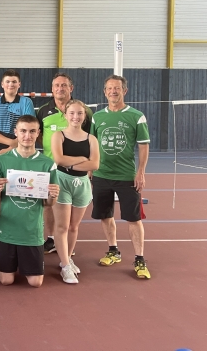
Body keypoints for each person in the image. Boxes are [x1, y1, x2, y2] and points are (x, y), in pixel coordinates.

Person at [90, 75, 151, 279]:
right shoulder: (97, 117)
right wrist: (91, 167)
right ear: (104, 91)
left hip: (127, 177)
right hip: (101, 175)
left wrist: (140, 171)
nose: (113, 91)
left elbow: (143, 145)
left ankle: (139, 259)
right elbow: (92, 143)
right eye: (109, 88)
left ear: (124, 91)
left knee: (133, 218)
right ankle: (113, 250)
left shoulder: (136, 116)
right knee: (105, 215)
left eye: (117, 88)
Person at [0, 115, 59, 287]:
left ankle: (26, 262)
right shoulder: (2, 160)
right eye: (23, 131)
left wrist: (53, 195)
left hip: (31, 232)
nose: (27, 136)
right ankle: (14, 263)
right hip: (7, 230)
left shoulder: (47, 164)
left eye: (32, 131)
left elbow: (49, 204)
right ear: (16, 133)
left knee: (35, 283)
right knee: (6, 281)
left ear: (38, 134)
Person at [37, 73, 92, 254]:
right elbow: (38, 136)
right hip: (49, 167)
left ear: (71, 88)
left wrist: (86, 166)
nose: (60, 88)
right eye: (57, 85)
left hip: (75, 173)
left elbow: (90, 139)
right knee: (48, 204)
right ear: (52, 89)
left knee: (70, 212)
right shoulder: (43, 111)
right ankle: (51, 238)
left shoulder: (83, 111)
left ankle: (66, 243)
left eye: (64, 85)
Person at [0, 69, 35, 250]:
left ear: (19, 85)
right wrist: (9, 143)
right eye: (8, 82)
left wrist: (13, 147)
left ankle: (22, 230)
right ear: (2, 85)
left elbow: (28, 127)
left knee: (21, 191)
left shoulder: (26, 102)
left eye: (14, 82)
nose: (11, 85)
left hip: (21, 152)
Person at [51, 100, 100, 283]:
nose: (75, 117)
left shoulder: (91, 139)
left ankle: (68, 258)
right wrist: (81, 158)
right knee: (62, 226)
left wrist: (70, 161)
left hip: (82, 183)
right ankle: (64, 265)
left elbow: (94, 164)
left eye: (79, 113)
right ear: (65, 115)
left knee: (74, 226)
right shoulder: (59, 136)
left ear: (84, 116)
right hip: (62, 181)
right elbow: (59, 160)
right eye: (72, 113)